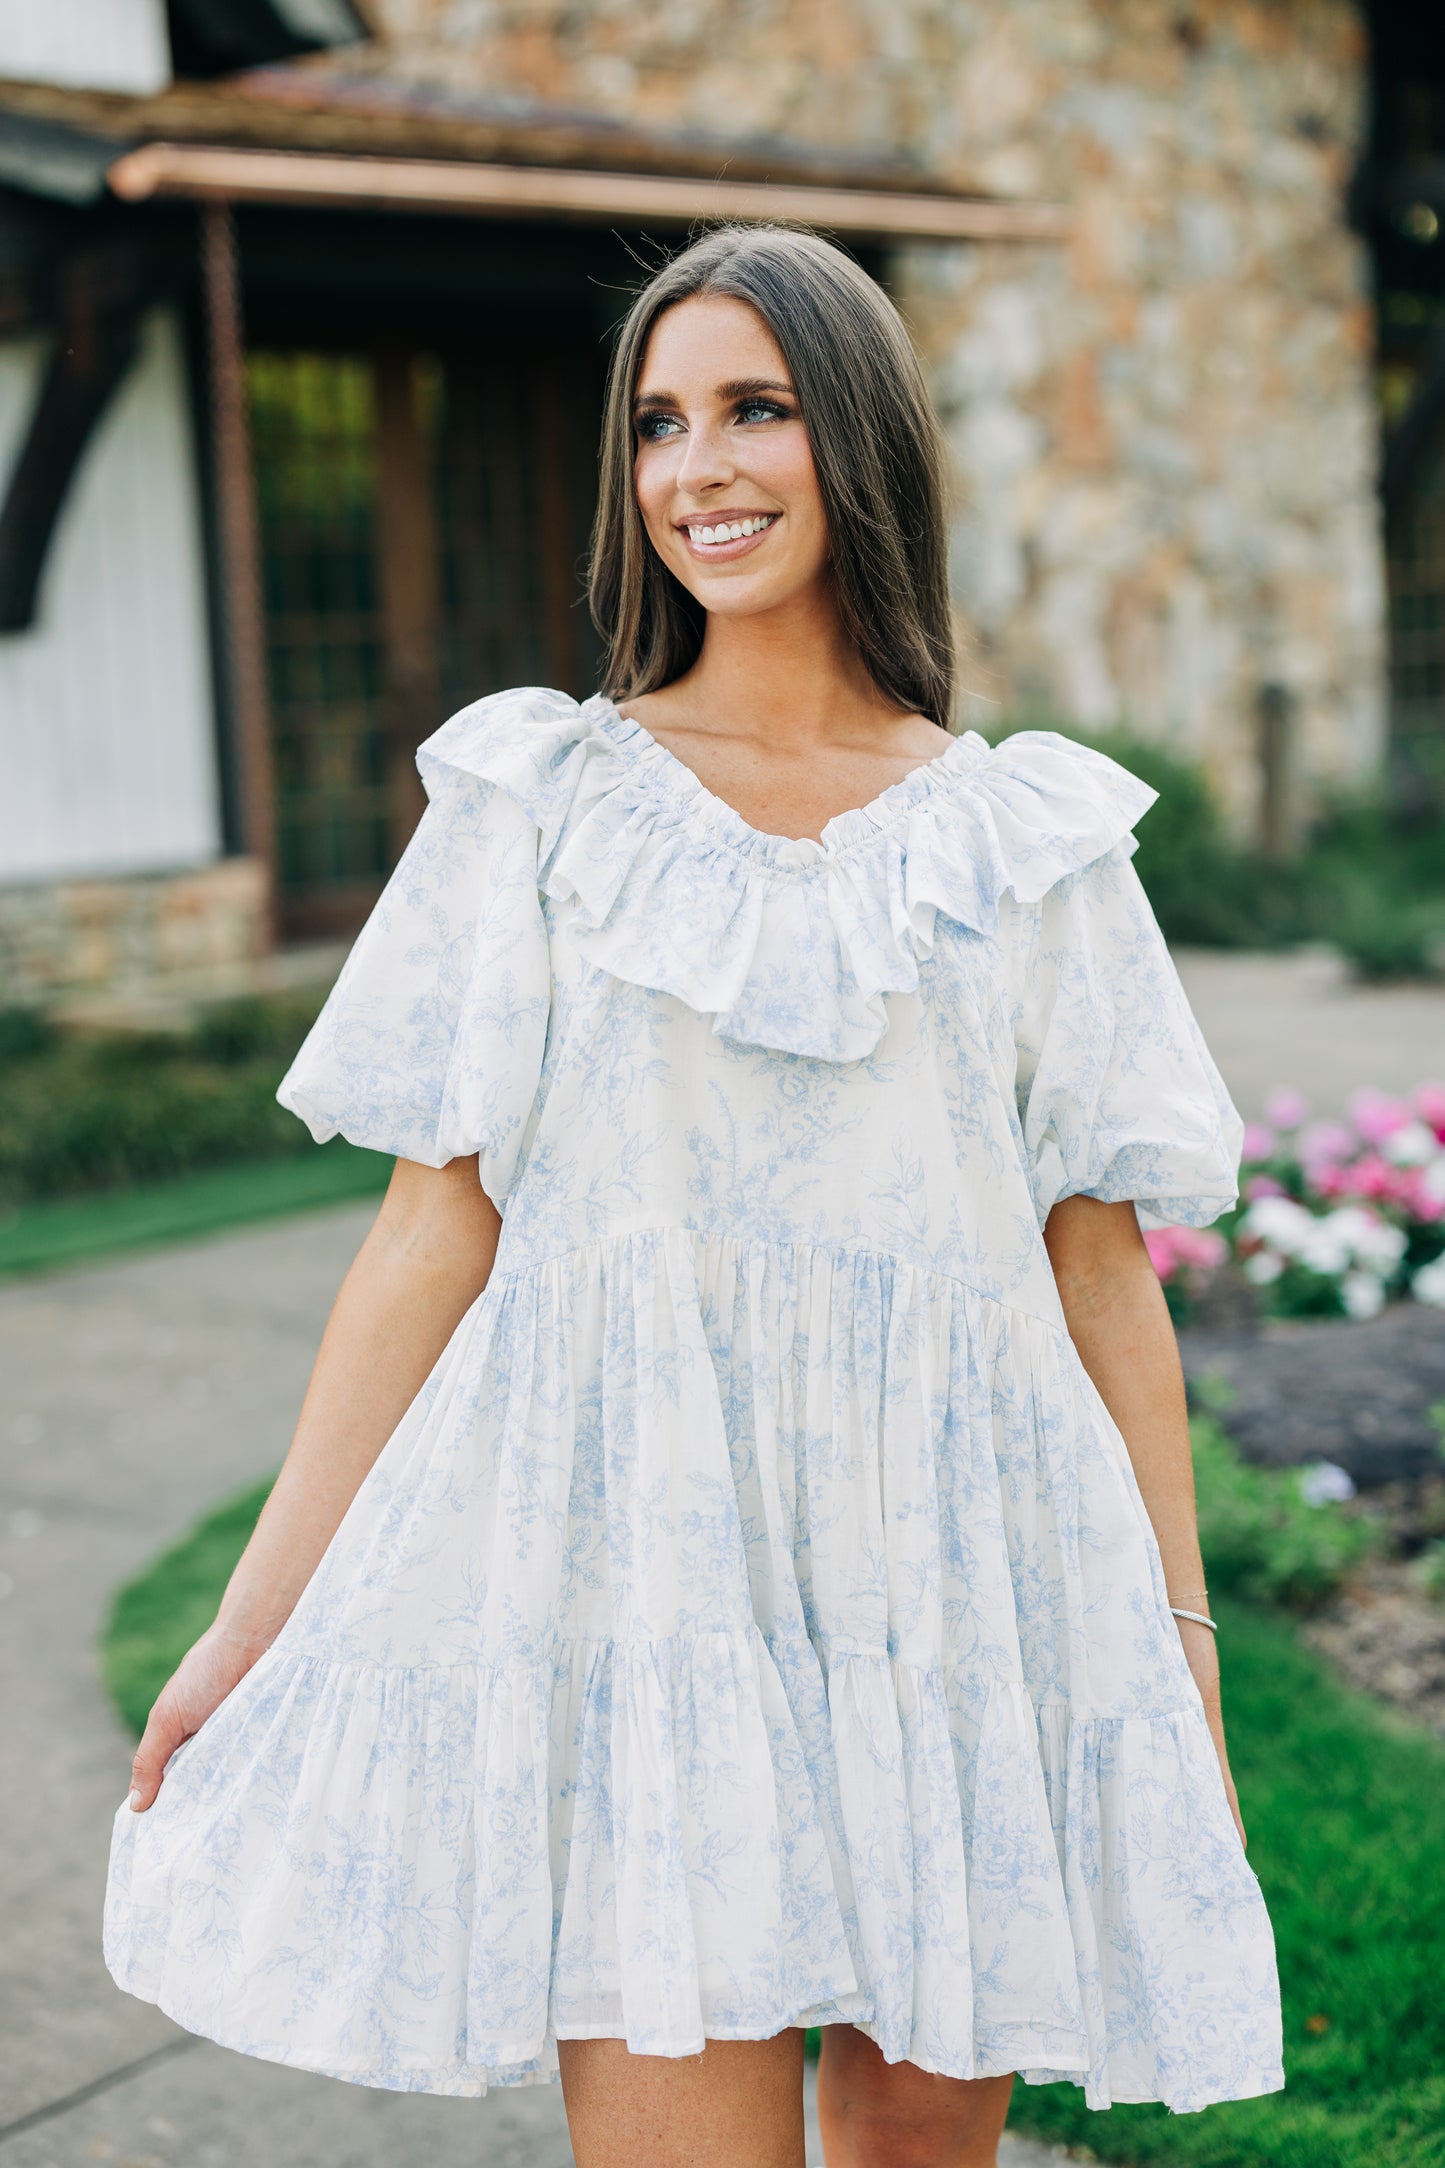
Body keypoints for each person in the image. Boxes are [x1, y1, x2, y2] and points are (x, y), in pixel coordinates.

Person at [105, 225, 1283, 2168]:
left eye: (756, 408)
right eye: (658, 423)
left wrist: (1177, 1653)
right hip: (650, 1593)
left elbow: (1101, 1278)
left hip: (959, 1603)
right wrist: (257, 1620)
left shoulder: (1029, 839)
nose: (697, 467)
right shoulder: (547, 803)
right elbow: (431, 1231)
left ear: (864, 446)